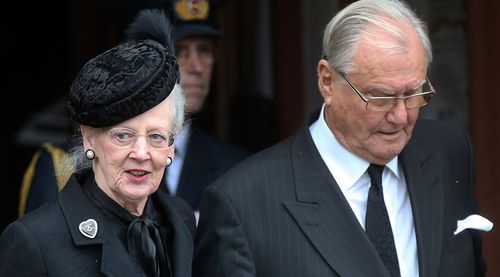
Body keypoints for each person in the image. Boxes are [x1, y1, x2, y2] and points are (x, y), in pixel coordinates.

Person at [193, 0, 492, 276]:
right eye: (381, 97)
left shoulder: (448, 152)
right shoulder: (242, 203)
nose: (401, 116)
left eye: (414, 93)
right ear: (327, 81)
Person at [1, 9, 195, 276]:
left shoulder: (182, 221)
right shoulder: (34, 241)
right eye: (122, 136)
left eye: (156, 137)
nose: (141, 153)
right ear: (88, 138)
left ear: (172, 145)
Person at [17, 0, 249, 217]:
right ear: (136, 55)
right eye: (179, 49)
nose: (197, 66)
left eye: (205, 50)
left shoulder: (236, 167)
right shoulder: (63, 167)